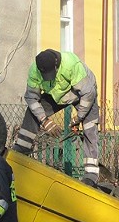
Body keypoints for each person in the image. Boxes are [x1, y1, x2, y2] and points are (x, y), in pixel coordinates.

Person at [11, 49, 100, 185]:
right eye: (44, 75)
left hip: (82, 94)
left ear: (56, 65)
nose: (48, 77)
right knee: (32, 113)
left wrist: (79, 118)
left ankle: (91, 174)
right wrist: (45, 121)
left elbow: (88, 94)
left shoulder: (71, 64)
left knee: (90, 127)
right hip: (55, 95)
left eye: (51, 74)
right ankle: (21, 151)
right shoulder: (34, 71)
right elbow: (31, 98)